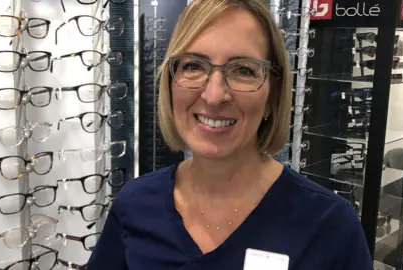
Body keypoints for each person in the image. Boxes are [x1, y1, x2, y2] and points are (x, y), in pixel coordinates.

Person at [87, 0, 373, 269]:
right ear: (170, 83)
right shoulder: (136, 203)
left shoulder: (329, 226)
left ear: (272, 97)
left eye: (243, 70)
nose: (214, 95)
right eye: (194, 66)